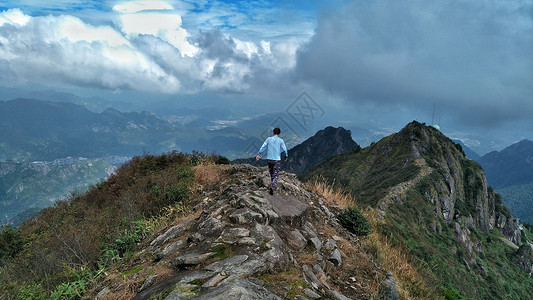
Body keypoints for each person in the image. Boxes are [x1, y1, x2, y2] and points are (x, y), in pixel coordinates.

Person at [256, 127, 288, 195]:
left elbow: (263, 146)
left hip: (269, 159)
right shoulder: (281, 140)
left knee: (271, 173)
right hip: (276, 160)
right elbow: (285, 149)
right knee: (276, 174)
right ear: (279, 133)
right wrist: (286, 156)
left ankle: (272, 184)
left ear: (273, 132)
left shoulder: (268, 139)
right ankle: (273, 186)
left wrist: (259, 154)